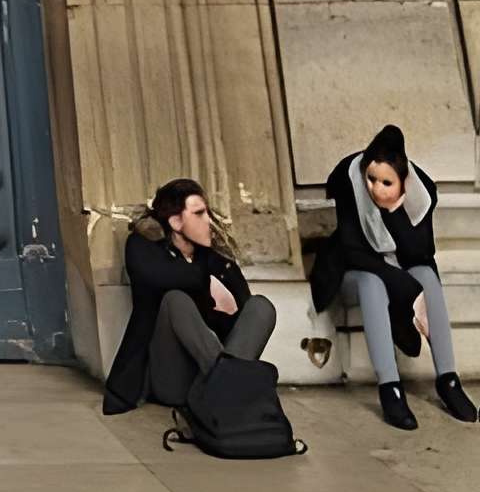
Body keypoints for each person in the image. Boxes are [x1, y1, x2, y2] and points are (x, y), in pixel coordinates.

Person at [310, 121, 477, 431]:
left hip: (399, 271)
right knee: (374, 283)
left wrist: (394, 211)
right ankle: (390, 388)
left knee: (425, 275)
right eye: (371, 179)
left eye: (387, 183)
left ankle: (448, 381)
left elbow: (420, 253)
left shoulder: (421, 194)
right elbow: (352, 250)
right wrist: (402, 285)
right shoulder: (352, 181)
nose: (375, 188)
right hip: (353, 271)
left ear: (404, 183)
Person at [102, 177, 277, 414]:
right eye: (199, 214)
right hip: (173, 380)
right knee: (176, 300)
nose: (209, 220)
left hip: (206, 374)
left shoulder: (208, 256)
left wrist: (224, 273)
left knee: (261, 307)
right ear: (175, 221)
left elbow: (243, 303)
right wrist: (206, 280)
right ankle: (229, 388)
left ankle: (223, 388)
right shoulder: (142, 247)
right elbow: (164, 278)